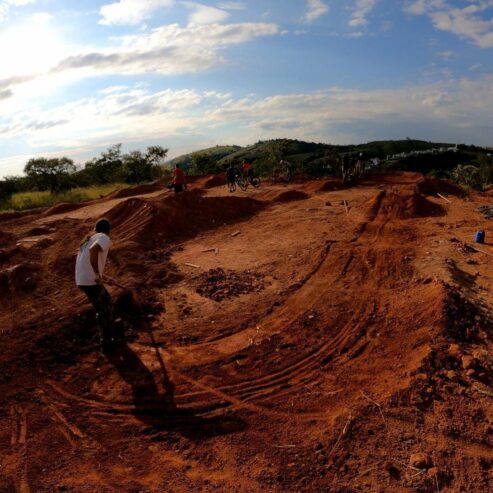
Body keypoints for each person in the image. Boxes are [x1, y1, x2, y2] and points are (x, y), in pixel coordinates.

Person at [75, 218, 118, 353]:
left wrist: (105, 278)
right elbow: (94, 251)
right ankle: (108, 342)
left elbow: (88, 262)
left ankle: (106, 340)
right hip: (90, 281)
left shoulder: (89, 239)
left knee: (103, 308)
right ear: (108, 230)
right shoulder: (103, 237)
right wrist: (97, 275)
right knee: (107, 308)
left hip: (82, 280)